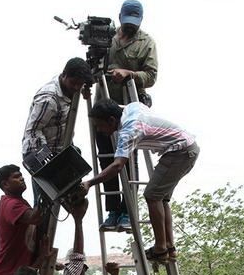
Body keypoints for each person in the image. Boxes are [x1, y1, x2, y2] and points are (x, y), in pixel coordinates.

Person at [84, 100, 199, 262]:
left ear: (111, 120)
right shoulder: (132, 108)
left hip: (179, 152)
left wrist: (89, 183)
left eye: (99, 125)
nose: (99, 130)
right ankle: (169, 247)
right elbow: (140, 103)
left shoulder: (128, 131)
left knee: (152, 196)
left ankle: (160, 248)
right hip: (186, 148)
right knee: (161, 198)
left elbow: (117, 166)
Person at [98, 0, 159, 231]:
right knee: (105, 156)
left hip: (130, 107)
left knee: (128, 160)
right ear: (120, 17)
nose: (130, 26)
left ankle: (127, 210)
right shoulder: (108, 37)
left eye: (135, 22)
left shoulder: (147, 43)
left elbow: (151, 77)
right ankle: (113, 209)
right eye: (127, 21)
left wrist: (130, 73)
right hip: (105, 106)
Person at [22, 58, 93, 202]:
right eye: (74, 83)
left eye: (80, 85)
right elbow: (33, 131)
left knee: (77, 199)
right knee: (46, 204)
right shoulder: (48, 98)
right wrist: (49, 161)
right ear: (64, 75)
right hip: (39, 153)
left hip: (60, 149)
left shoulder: (73, 89)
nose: (76, 88)